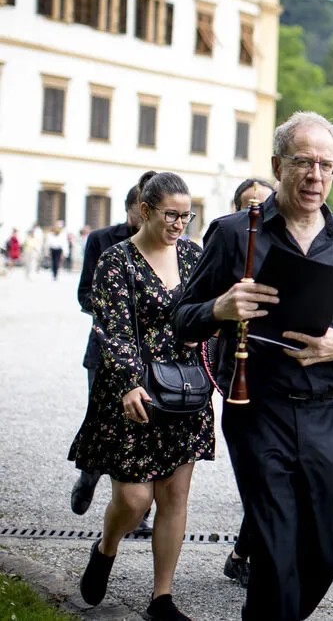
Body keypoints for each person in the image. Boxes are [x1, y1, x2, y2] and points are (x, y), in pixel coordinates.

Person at [174, 111, 333, 620]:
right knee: (274, 553)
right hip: (258, 411)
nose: (315, 175)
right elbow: (181, 319)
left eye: (326, 165)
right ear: (277, 166)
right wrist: (220, 308)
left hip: (325, 413)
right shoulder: (233, 233)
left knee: (329, 555)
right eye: (303, 162)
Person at [68, 171, 211, 620]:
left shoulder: (193, 256)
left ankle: (161, 598)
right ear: (145, 211)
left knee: (174, 498)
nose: (179, 224)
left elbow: (205, 312)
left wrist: (206, 329)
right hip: (134, 393)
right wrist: (130, 382)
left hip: (184, 391)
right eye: (171, 215)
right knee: (134, 500)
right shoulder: (116, 260)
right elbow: (112, 329)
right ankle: (106, 546)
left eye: (186, 216)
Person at [71, 179, 149, 521]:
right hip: (104, 349)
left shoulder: (168, 246)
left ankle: (140, 511)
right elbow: (84, 294)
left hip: (149, 353)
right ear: (131, 208)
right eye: (141, 213)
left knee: (144, 426)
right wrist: (120, 312)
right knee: (102, 421)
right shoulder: (101, 240)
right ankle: (89, 476)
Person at [219, 177, 278, 587]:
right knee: (261, 477)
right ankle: (249, 557)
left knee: (276, 480)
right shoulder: (228, 238)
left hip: (283, 374)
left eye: (264, 202)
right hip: (241, 373)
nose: (257, 209)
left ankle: (243, 554)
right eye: (248, 204)